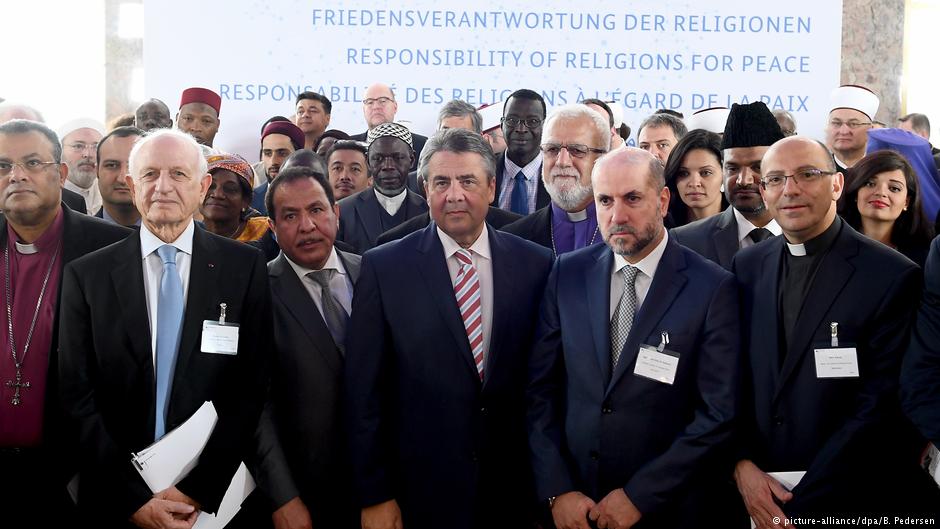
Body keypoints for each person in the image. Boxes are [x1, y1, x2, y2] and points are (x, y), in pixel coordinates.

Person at [58, 128, 273, 528]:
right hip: (115, 501)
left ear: (202, 186)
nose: (163, 186)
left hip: (206, 505)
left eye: (178, 174)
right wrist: (132, 499)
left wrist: (199, 488)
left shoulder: (243, 268)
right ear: (131, 185)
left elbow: (249, 388)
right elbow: (77, 394)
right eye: (150, 174)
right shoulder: (88, 276)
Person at [346, 128, 553, 529]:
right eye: (442, 182)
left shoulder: (537, 264)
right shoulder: (385, 267)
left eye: (468, 181)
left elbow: (545, 383)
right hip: (419, 492)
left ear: (492, 188)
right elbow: (363, 392)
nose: (454, 194)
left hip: (513, 491)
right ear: (425, 188)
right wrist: (374, 494)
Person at [527, 148, 740, 529]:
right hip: (576, 508)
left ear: (662, 201)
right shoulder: (568, 274)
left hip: (667, 510)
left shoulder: (711, 287)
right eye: (605, 200)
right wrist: (557, 489)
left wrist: (641, 495)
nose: (617, 215)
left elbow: (716, 413)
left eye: (632, 199)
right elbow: (540, 391)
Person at [731, 136, 936, 526]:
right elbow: (729, 377)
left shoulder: (890, 275)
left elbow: (881, 405)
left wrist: (804, 498)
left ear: (838, 185)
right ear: (764, 190)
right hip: (753, 490)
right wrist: (740, 463)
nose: (790, 189)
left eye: (808, 174)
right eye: (775, 179)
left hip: (847, 495)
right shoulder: (747, 265)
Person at [0, 119, 130, 527]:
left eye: (31, 162)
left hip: (75, 478)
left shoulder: (112, 249)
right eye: (3, 165)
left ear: (60, 174)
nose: (16, 175)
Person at [252, 165, 360, 529]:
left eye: (316, 210)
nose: (307, 226)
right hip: (305, 496)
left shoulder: (375, 272)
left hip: (384, 485)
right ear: (272, 226)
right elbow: (256, 408)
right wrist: (283, 496)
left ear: (336, 212)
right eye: (290, 216)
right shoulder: (257, 293)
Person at [671, 102, 784, 269]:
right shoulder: (685, 241)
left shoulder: (809, 234)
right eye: (733, 168)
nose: (743, 180)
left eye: (757, 167)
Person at [501, 104, 609, 256]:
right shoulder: (512, 239)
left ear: (603, 158)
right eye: (552, 149)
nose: (562, 162)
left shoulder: (626, 233)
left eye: (577, 150)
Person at [336, 122, 428, 254]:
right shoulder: (344, 211)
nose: (388, 166)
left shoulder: (428, 210)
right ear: (367, 161)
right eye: (378, 158)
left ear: (412, 160)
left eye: (397, 158)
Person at [839, 150, 933, 267]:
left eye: (894, 188)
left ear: (906, 202)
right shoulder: (831, 246)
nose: (881, 193)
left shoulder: (925, 260)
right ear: (856, 192)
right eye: (870, 184)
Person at [495, 89, 550, 215]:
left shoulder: (558, 174)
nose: (521, 129)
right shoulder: (483, 170)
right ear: (502, 125)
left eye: (532, 122)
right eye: (512, 120)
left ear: (545, 126)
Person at [349, 83, 427, 171]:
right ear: (364, 109)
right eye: (370, 102)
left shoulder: (422, 145)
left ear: (395, 107)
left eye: (382, 101)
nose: (376, 107)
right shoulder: (350, 145)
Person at [663, 129, 727, 227]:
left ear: (724, 174)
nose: (694, 183)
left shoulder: (744, 219)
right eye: (684, 173)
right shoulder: (661, 224)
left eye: (706, 173)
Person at [202, 154, 271, 242]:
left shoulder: (267, 232)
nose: (217, 194)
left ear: (245, 201)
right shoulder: (185, 233)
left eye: (230, 189)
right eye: (210, 186)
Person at [252, 121, 305, 215]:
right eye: (268, 153)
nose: (273, 162)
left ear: (298, 155)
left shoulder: (313, 196)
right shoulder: (250, 200)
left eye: (282, 153)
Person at [96, 125, 144, 227]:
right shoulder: (72, 239)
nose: (122, 179)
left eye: (133, 166)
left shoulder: (176, 239)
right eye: (111, 165)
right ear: (97, 171)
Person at [825, 84, 879, 173]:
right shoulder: (818, 170)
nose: (843, 131)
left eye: (853, 124)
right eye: (836, 123)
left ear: (870, 130)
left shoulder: (881, 171)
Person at [59, 118, 105, 215]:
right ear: (60, 151)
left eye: (96, 146)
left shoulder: (109, 192)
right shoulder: (50, 196)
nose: (88, 154)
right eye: (78, 146)